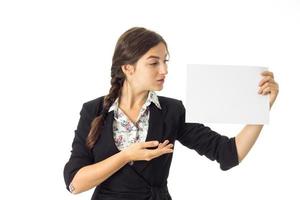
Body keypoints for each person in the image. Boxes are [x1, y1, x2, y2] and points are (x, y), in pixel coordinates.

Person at [63, 27, 279, 200]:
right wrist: (127, 155)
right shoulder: (93, 111)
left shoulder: (172, 111)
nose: (164, 70)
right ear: (128, 68)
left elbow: (229, 154)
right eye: (154, 62)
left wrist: (261, 108)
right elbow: (75, 183)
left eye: (165, 61)